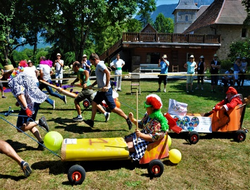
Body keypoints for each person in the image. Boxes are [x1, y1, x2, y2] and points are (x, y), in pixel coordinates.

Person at [3, 63, 49, 150]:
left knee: (20, 128)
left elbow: (20, 94)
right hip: (35, 100)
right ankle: (40, 142)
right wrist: (19, 101)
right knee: (29, 123)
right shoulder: (21, 74)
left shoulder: (13, 80)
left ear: (7, 73)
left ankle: (40, 121)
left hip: (29, 103)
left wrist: (26, 107)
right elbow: (24, 89)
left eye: (5, 75)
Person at [84, 53, 132, 129]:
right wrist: (92, 85)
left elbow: (108, 72)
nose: (92, 64)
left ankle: (127, 118)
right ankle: (91, 121)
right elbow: (99, 78)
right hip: (101, 91)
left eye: (92, 62)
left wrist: (106, 86)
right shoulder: (98, 66)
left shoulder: (100, 65)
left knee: (113, 108)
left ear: (95, 59)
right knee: (94, 102)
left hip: (106, 91)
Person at [125, 94, 168, 161]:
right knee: (125, 140)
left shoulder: (157, 122)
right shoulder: (148, 115)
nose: (145, 108)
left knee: (128, 146)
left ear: (152, 107)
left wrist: (141, 135)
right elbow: (141, 124)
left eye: (146, 106)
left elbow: (154, 138)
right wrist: (132, 119)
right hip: (142, 135)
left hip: (148, 141)